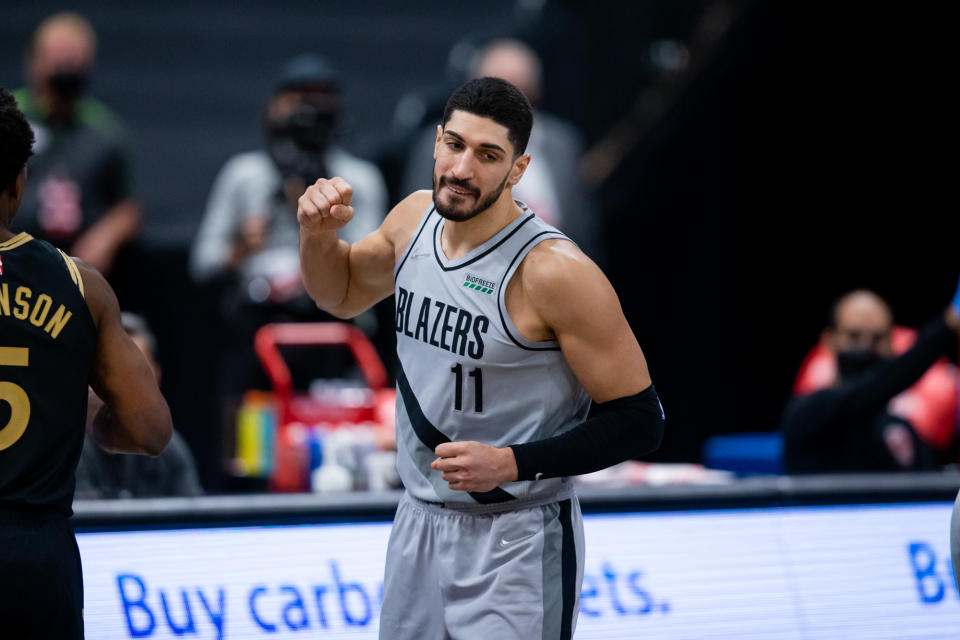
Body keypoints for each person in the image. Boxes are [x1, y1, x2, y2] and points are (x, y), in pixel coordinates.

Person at [298, 77, 664, 639]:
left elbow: (641, 422)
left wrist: (512, 462)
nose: (463, 168)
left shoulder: (555, 272)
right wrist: (317, 237)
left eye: (488, 155)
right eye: (456, 145)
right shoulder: (413, 218)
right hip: (418, 521)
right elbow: (340, 294)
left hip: (516, 532)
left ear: (518, 169)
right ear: (437, 141)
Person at [0, 88, 171, 638]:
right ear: (20, 182)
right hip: (36, 558)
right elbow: (149, 431)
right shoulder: (80, 285)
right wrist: (94, 420)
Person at [400, 38, 604, 263]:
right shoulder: (442, 141)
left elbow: (584, 229)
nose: (504, 110)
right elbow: (419, 222)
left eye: (519, 94)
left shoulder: (563, 142)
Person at [11, 12, 140, 277]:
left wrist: (107, 234)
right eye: (57, 56)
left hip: (77, 270)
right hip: (12, 262)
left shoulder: (104, 129)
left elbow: (127, 207)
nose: (65, 66)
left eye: (73, 57)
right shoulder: (9, 116)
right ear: (33, 62)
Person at [781, 288, 960, 474]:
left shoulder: (901, 430)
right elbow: (882, 383)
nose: (865, 347)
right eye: (854, 336)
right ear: (829, 340)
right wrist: (948, 325)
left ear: (892, 342)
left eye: (877, 339)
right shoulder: (806, 415)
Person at [75, 312, 202, 499]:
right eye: (111, 371)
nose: (124, 385)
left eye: (137, 374)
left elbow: (196, 520)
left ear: (156, 376)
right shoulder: (68, 450)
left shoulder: (170, 448)